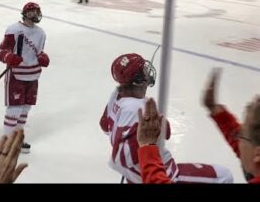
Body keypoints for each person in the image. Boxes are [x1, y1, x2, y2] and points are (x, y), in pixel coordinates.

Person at [100, 53, 233, 183]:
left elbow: (105, 126)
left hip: (134, 175)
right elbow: (166, 132)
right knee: (224, 176)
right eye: (144, 70)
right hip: (160, 174)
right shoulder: (142, 109)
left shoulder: (116, 96)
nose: (148, 72)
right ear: (138, 80)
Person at [0, 2, 50, 153]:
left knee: (25, 110)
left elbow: (39, 52)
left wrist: (43, 57)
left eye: (37, 11)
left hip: (33, 75)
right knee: (14, 110)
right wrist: (8, 56)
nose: (35, 14)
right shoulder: (14, 30)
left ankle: (17, 140)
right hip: (16, 76)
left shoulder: (41, 33)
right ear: (25, 13)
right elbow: (1, 50)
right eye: (32, 12)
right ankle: (6, 143)